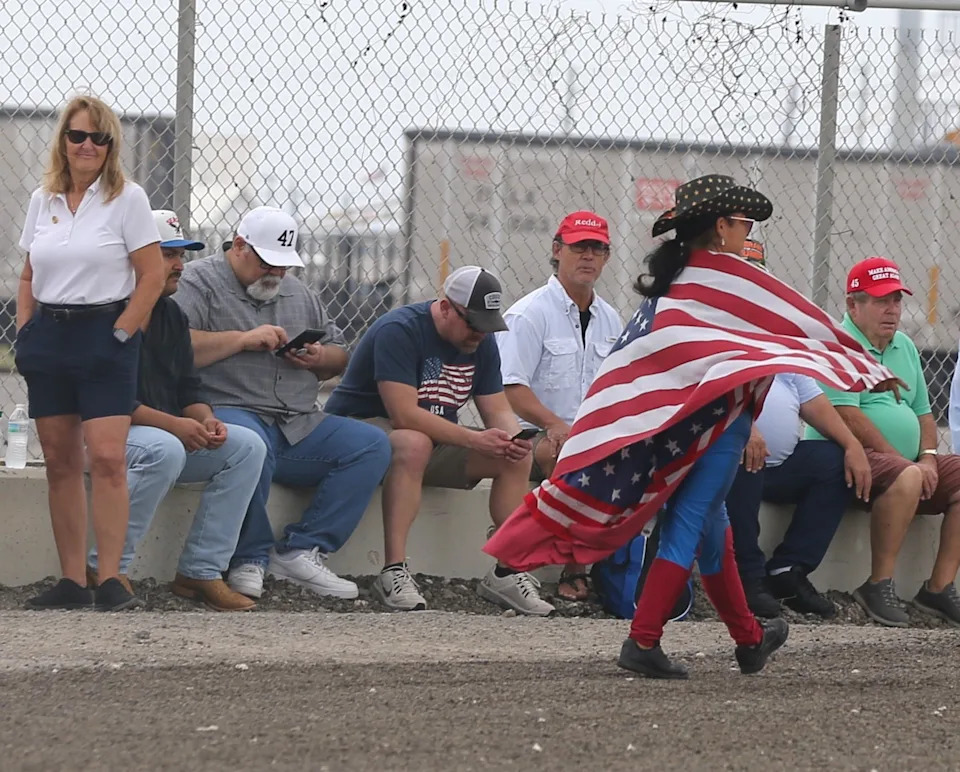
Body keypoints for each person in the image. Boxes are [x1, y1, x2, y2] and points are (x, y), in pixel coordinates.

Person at [484, 175, 899, 679]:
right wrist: (860, 366)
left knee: (713, 530)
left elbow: (641, 364)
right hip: (715, 427)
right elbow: (797, 324)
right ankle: (644, 639)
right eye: (743, 224)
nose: (747, 234)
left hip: (684, 429)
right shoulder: (727, 282)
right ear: (722, 226)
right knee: (692, 523)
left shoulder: (677, 283)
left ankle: (748, 639)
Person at [171, 206, 391, 601]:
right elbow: (174, 352)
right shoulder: (198, 281)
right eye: (267, 264)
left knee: (372, 445)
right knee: (251, 443)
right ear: (239, 246)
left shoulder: (298, 291)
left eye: (283, 266)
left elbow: (340, 354)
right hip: (229, 407)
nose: (275, 274)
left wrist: (318, 357)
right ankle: (248, 557)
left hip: (297, 420)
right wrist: (242, 339)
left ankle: (301, 550)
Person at [325, 266, 553, 616]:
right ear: (446, 307)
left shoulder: (482, 340)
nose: (479, 334)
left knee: (513, 455)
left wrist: (513, 439)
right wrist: (475, 441)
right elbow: (404, 415)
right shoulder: (400, 329)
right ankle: (394, 571)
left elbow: (497, 410)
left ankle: (507, 572)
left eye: (486, 325)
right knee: (414, 442)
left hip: (432, 437)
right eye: (472, 323)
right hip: (362, 433)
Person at [15, 95, 165, 611]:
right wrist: (26, 331)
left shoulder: (127, 199)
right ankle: (72, 582)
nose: (87, 146)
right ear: (63, 141)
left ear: (110, 146)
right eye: (77, 136)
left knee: (106, 459)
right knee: (60, 461)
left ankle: (111, 579)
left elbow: (152, 275)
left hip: (106, 334)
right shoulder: (44, 199)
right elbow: (30, 274)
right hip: (49, 338)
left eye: (98, 138)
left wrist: (121, 334)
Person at [85, 211, 267, 611]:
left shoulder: (171, 315)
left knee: (246, 446)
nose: (180, 265)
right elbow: (107, 401)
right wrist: (177, 426)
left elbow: (189, 388)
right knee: (164, 449)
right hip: (101, 437)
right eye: (168, 254)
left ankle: (201, 571)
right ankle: (107, 569)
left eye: (181, 254)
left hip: (157, 435)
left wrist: (205, 419)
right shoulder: (100, 311)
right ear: (135, 257)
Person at [807, 256, 960, 628]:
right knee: (906, 476)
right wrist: (904, 462)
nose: (891, 310)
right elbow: (846, 414)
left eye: (896, 301)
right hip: (852, 459)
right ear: (852, 305)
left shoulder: (904, 345)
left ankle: (938, 588)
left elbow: (924, 413)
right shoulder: (837, 344)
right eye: (880, 301)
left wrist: (926, 457)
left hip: (906, 464)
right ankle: (878, 584)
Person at [497, 211, 622, 600]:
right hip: (533, 436)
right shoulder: (529, 314)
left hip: (588, 437)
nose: (587, 256)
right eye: (578, 247)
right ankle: (573, 568)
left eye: (596, 248)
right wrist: (555, 424)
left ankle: (627, 572)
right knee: (568, 452)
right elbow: (510, 388)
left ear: (606, 256)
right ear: (557, 250)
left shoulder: (612, 321)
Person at [725, 372, 871, 619]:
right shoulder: (728, 341)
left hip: (781, 464)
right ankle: (747, 578)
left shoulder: (784, 350)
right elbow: (715, 396)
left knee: (835, 462)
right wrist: (744, 428)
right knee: (743, 456)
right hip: (736, 457)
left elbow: (814, 402)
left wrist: (852, 445)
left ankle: (787, 571)